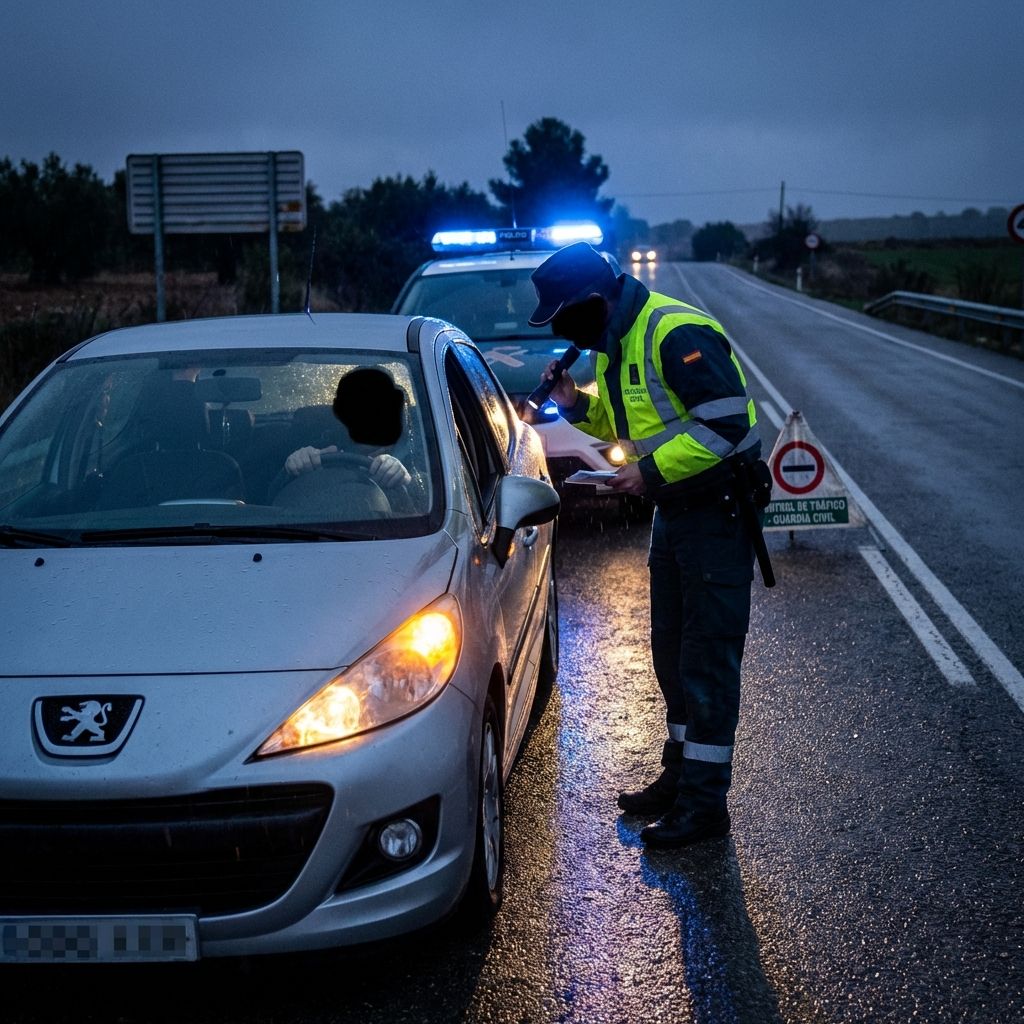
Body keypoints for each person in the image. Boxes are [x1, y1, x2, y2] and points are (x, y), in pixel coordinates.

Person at [529, 241, 772, 849]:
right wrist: (571, 405)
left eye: (563, 316)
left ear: (593, 301)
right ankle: (681, 775)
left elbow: (728, 427)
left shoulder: (673, 331)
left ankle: (705, 804)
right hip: (675, 516)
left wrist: (651, 474)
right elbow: (624, 421)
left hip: (714, 515)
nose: (562, 331)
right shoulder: (615, 344)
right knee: (671, 651)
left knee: (707, 660)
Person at [282, 367, 413, 493]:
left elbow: (424, 495)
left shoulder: (418, 457)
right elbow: (276, 497)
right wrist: (297, 464)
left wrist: (404, 479)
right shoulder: (324, 449)